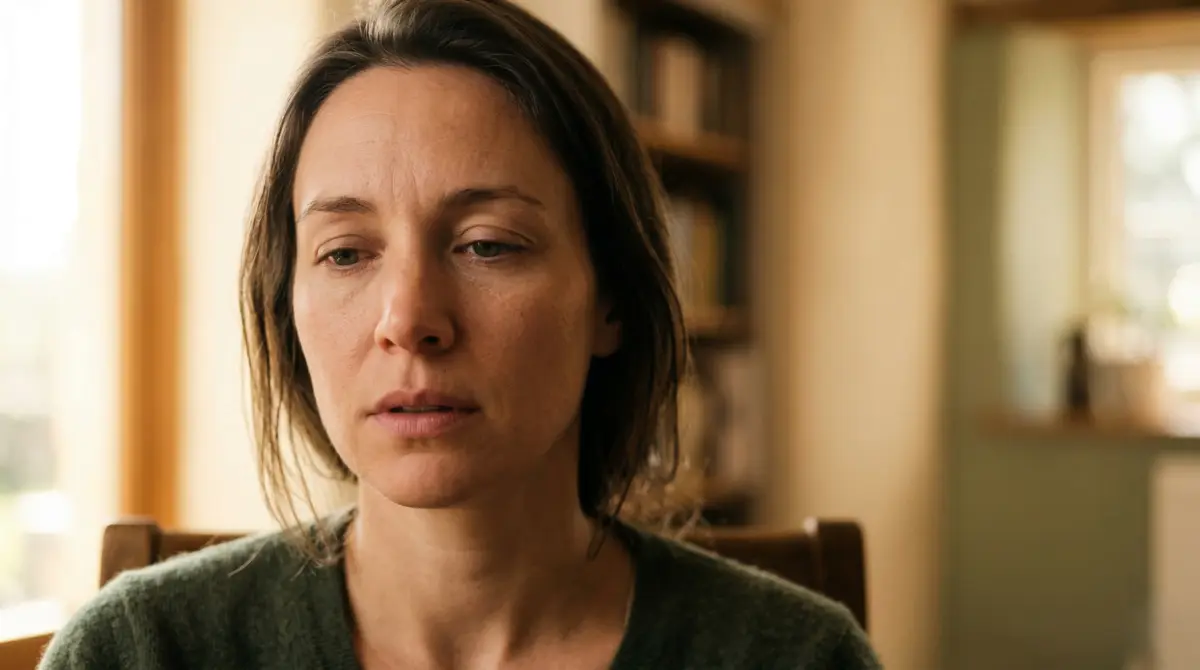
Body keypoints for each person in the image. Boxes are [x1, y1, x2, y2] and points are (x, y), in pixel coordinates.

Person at [39, 1, 881, 668]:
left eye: (487, 245)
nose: (408, 320)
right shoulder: (141, 651)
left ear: (611, 301)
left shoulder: (796, 656)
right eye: (345, 253)